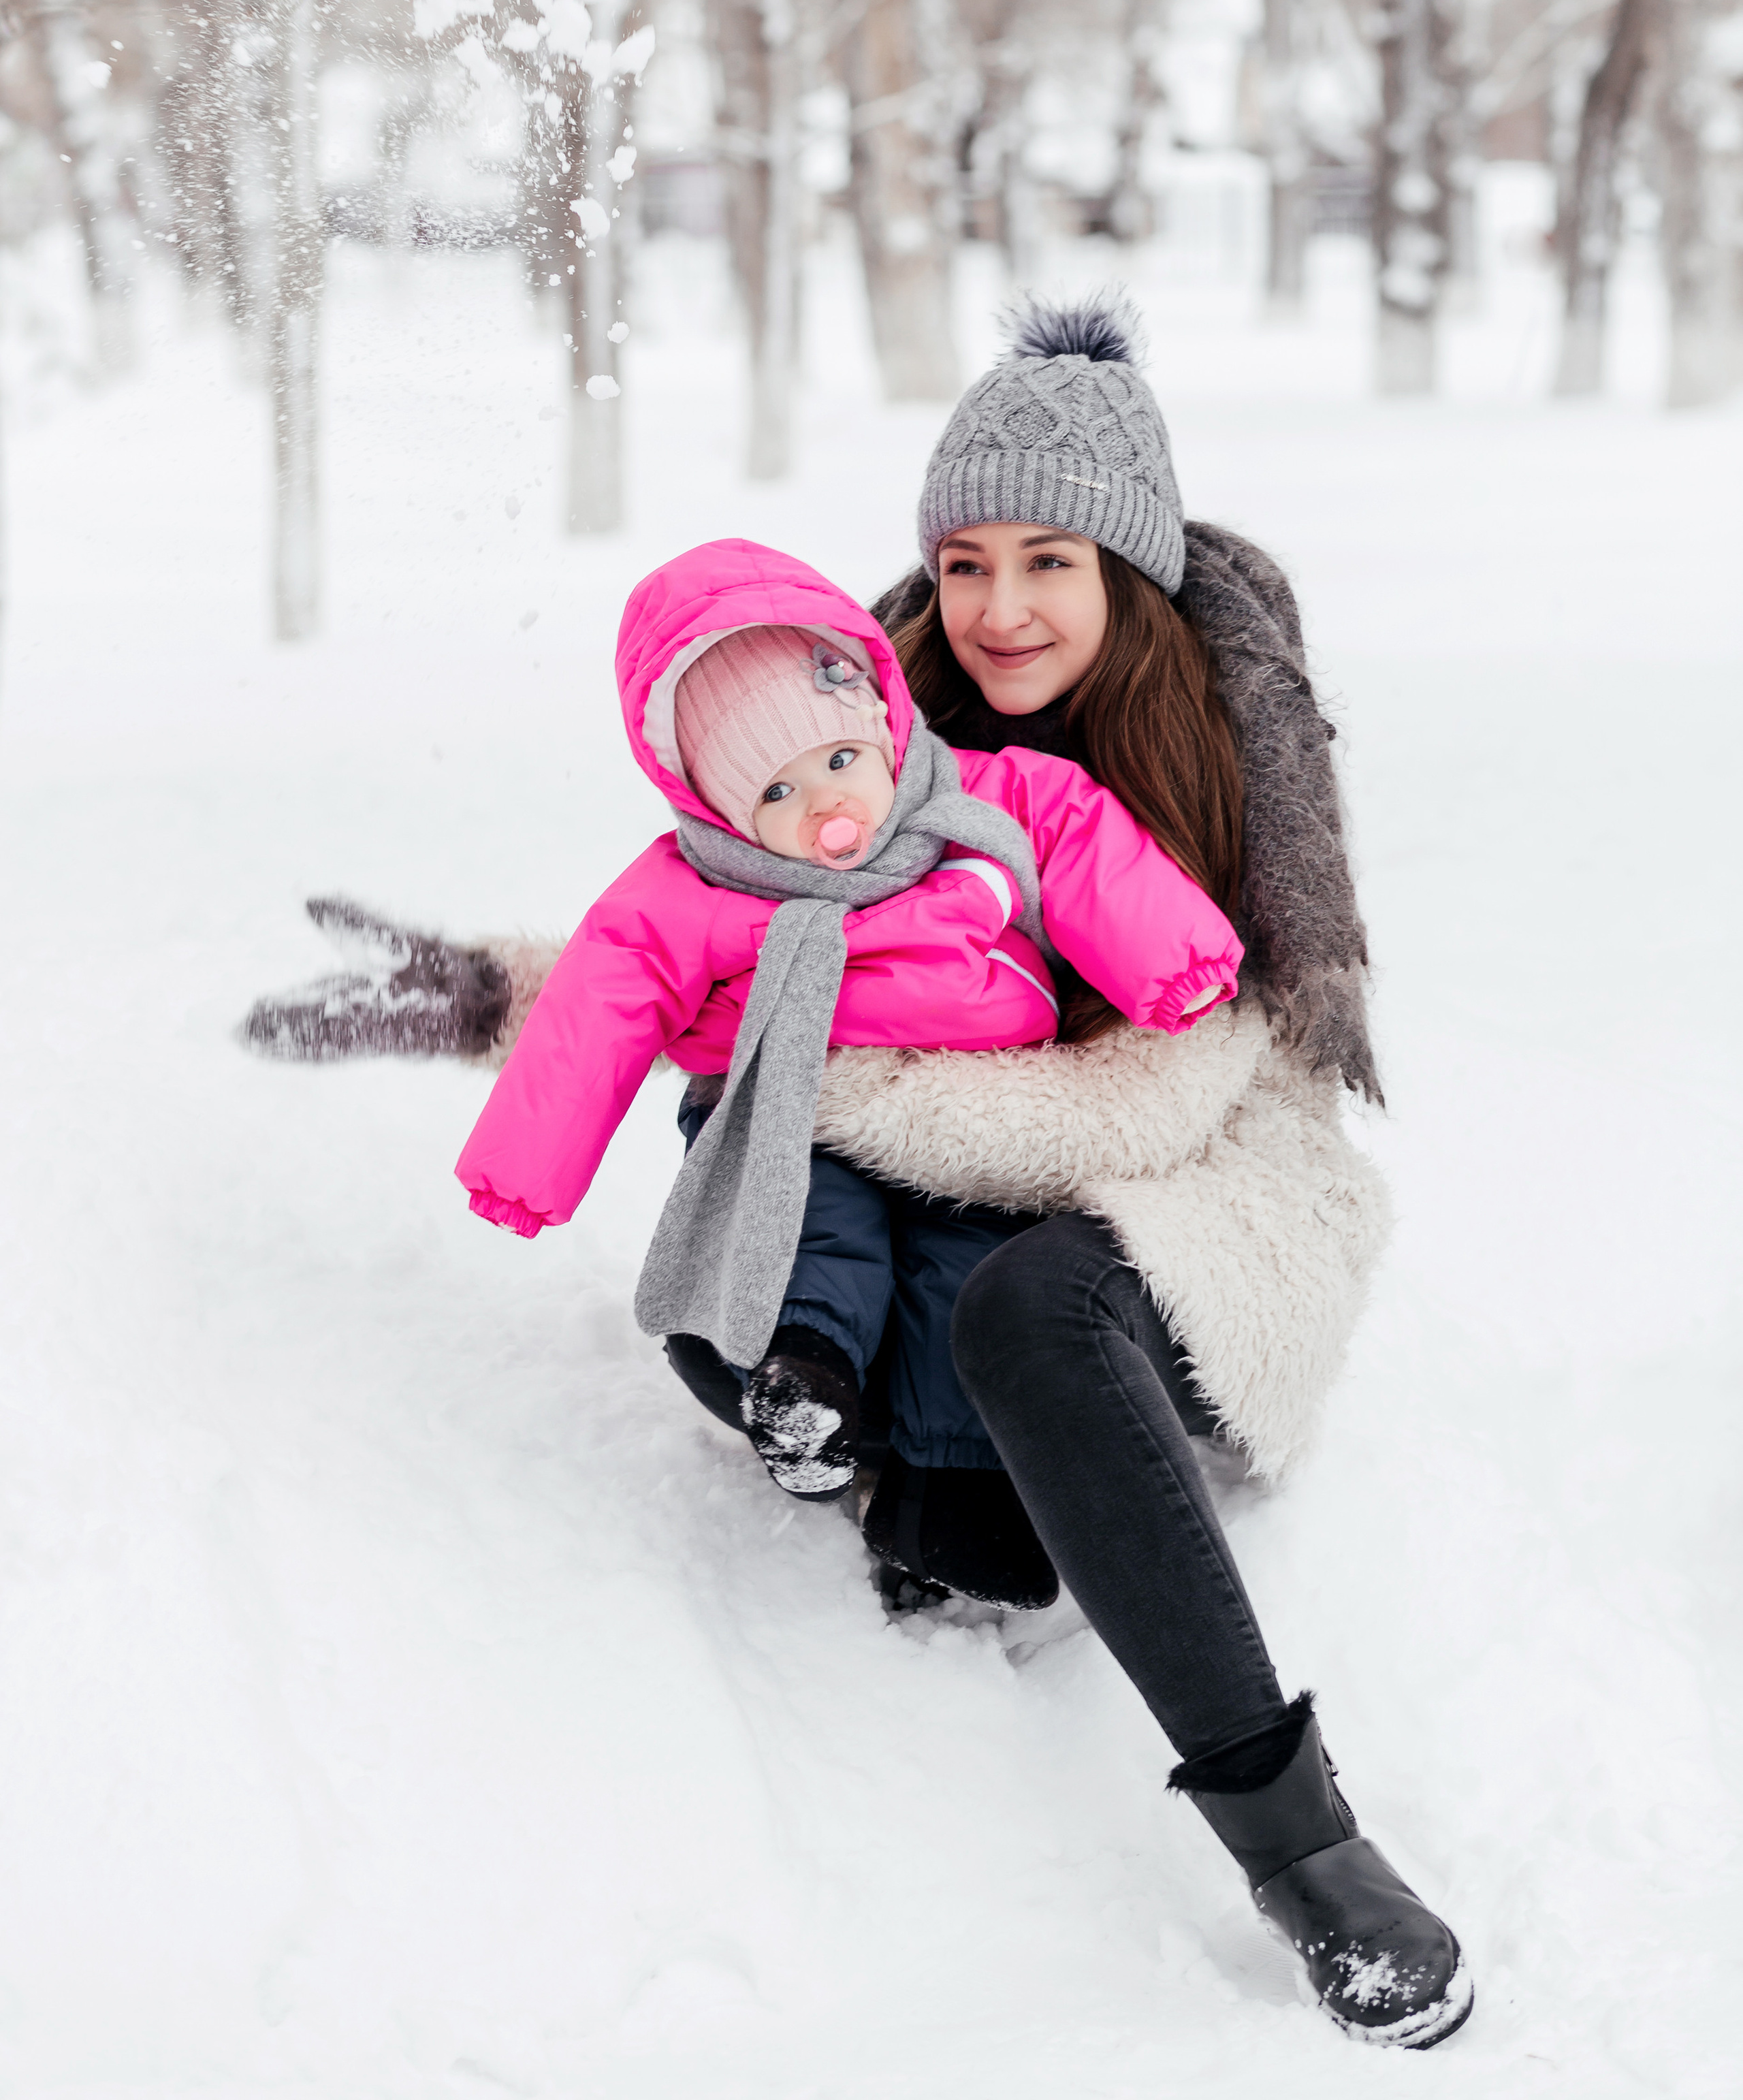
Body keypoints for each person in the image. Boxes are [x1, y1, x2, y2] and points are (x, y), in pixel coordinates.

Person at [242, 294, 1473, 2050]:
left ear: (1122, 565)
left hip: (1192, 1142)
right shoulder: (863, 686)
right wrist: (497, 997)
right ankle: (888, 1445)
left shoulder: (1220, 733)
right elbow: (713, 928)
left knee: (1030, 1306)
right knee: (760, 1178)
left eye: (1047, 559)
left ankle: (1302, 1848)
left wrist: (892, 1103)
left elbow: (1201, 1053)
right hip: (919, 1138)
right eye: (964, 560)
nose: (998, 607)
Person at [455, 540, 1241, 1540]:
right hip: (805, 1103)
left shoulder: (976, 796)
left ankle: (952, 1504)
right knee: (807, 1221)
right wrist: (527, 1167)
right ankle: (807, 1376)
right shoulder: (696, 880)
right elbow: (604, 991)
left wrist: (1173, 964)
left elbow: (1081, 838)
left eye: (837, 763)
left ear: (880, 720)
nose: (829, 806)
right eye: (778, 795)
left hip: (975, 1103)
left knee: (965, 1260)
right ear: (720, 809)